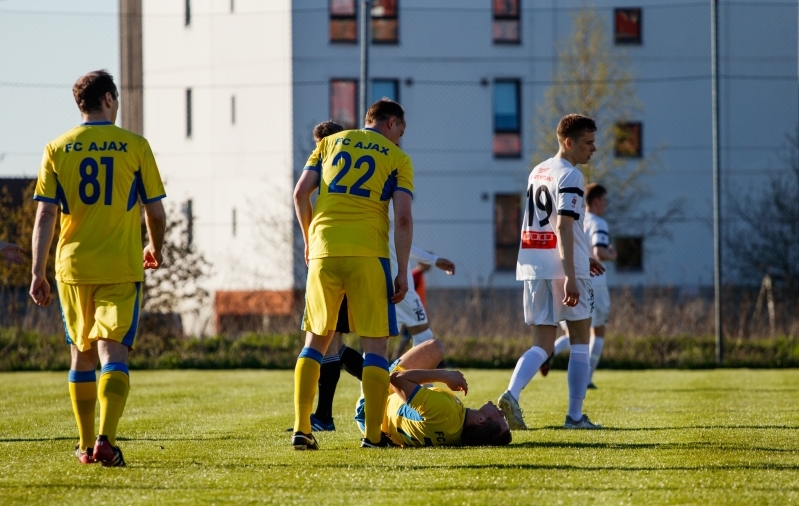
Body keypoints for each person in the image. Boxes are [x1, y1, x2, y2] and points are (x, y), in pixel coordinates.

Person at [29, 70, 166, 466]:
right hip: (120, 265)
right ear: (107, 99)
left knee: (82, 356)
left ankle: (86, 447)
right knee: (114, 355)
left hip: (72, 267)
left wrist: (37, 272)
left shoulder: (57, 147)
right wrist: (154, 248)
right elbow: (154, 211)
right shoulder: (135, 145)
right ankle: (106, 439)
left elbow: (44, 217)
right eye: (117, 98)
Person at [292, 99, 414, 449]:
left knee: (315, 340)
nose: (399, 141)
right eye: (400, 133)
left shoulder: (330, 142)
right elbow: (403, 218)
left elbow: (301, 193)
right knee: (375, 345)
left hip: (324, 250)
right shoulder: (397, 159)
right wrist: (402, 270)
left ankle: (303, 429)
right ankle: (374, 437)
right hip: (368, 253)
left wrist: (309, 238)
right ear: (391, 123)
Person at [497, 114, 604, 431]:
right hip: (563, 268)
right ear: (568, 142)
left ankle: (511, 394)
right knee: (580, 340)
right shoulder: (570, 175)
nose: (593, 149)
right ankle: (574, 417)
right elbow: (563, 225)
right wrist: (572, 273)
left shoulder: (538, 170)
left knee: (542, 343)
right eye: (588, 142)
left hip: (532, 264)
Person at [306, 121, 366, 433]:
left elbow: (300, 193)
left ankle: (323, 418)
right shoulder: (352, 166)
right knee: (335, 346)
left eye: (317, 144)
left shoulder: (328, 162)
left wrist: (308, 240)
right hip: (356, 257)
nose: (316, 150)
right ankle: (385, 382)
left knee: (329, 344)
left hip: (332, 258)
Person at [354, 339, 512, 447]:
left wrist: (445, 375)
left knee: (435, 348)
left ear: (481, 420)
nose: (502, 412)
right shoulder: (455, 436)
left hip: (371, 409)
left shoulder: (446, 410)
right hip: (384, 429)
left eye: (500, 417)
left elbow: (397, 380)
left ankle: (339, 352)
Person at [541, 183, 616, 388]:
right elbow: (599, 253)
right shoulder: (599, 223)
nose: (606, 204)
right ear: (597, 200)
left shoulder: (577, 219)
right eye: (604, 200)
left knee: (574, 333)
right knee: (596, 332)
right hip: (597, 283)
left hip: (577, 278)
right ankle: (586, 379)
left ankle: (550, 351)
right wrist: (612, 254)